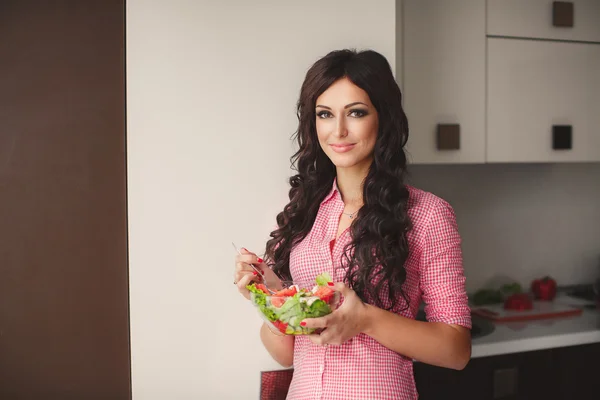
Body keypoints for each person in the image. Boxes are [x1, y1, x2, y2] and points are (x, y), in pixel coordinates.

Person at [233, 49, 471, 400]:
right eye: (325, 114)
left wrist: (365, 320)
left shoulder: (427, 214)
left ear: (384, 118)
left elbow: (456, 350)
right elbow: (286, 353)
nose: (339, 130)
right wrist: (269, 299)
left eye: (356, 113)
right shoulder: (303, 213)